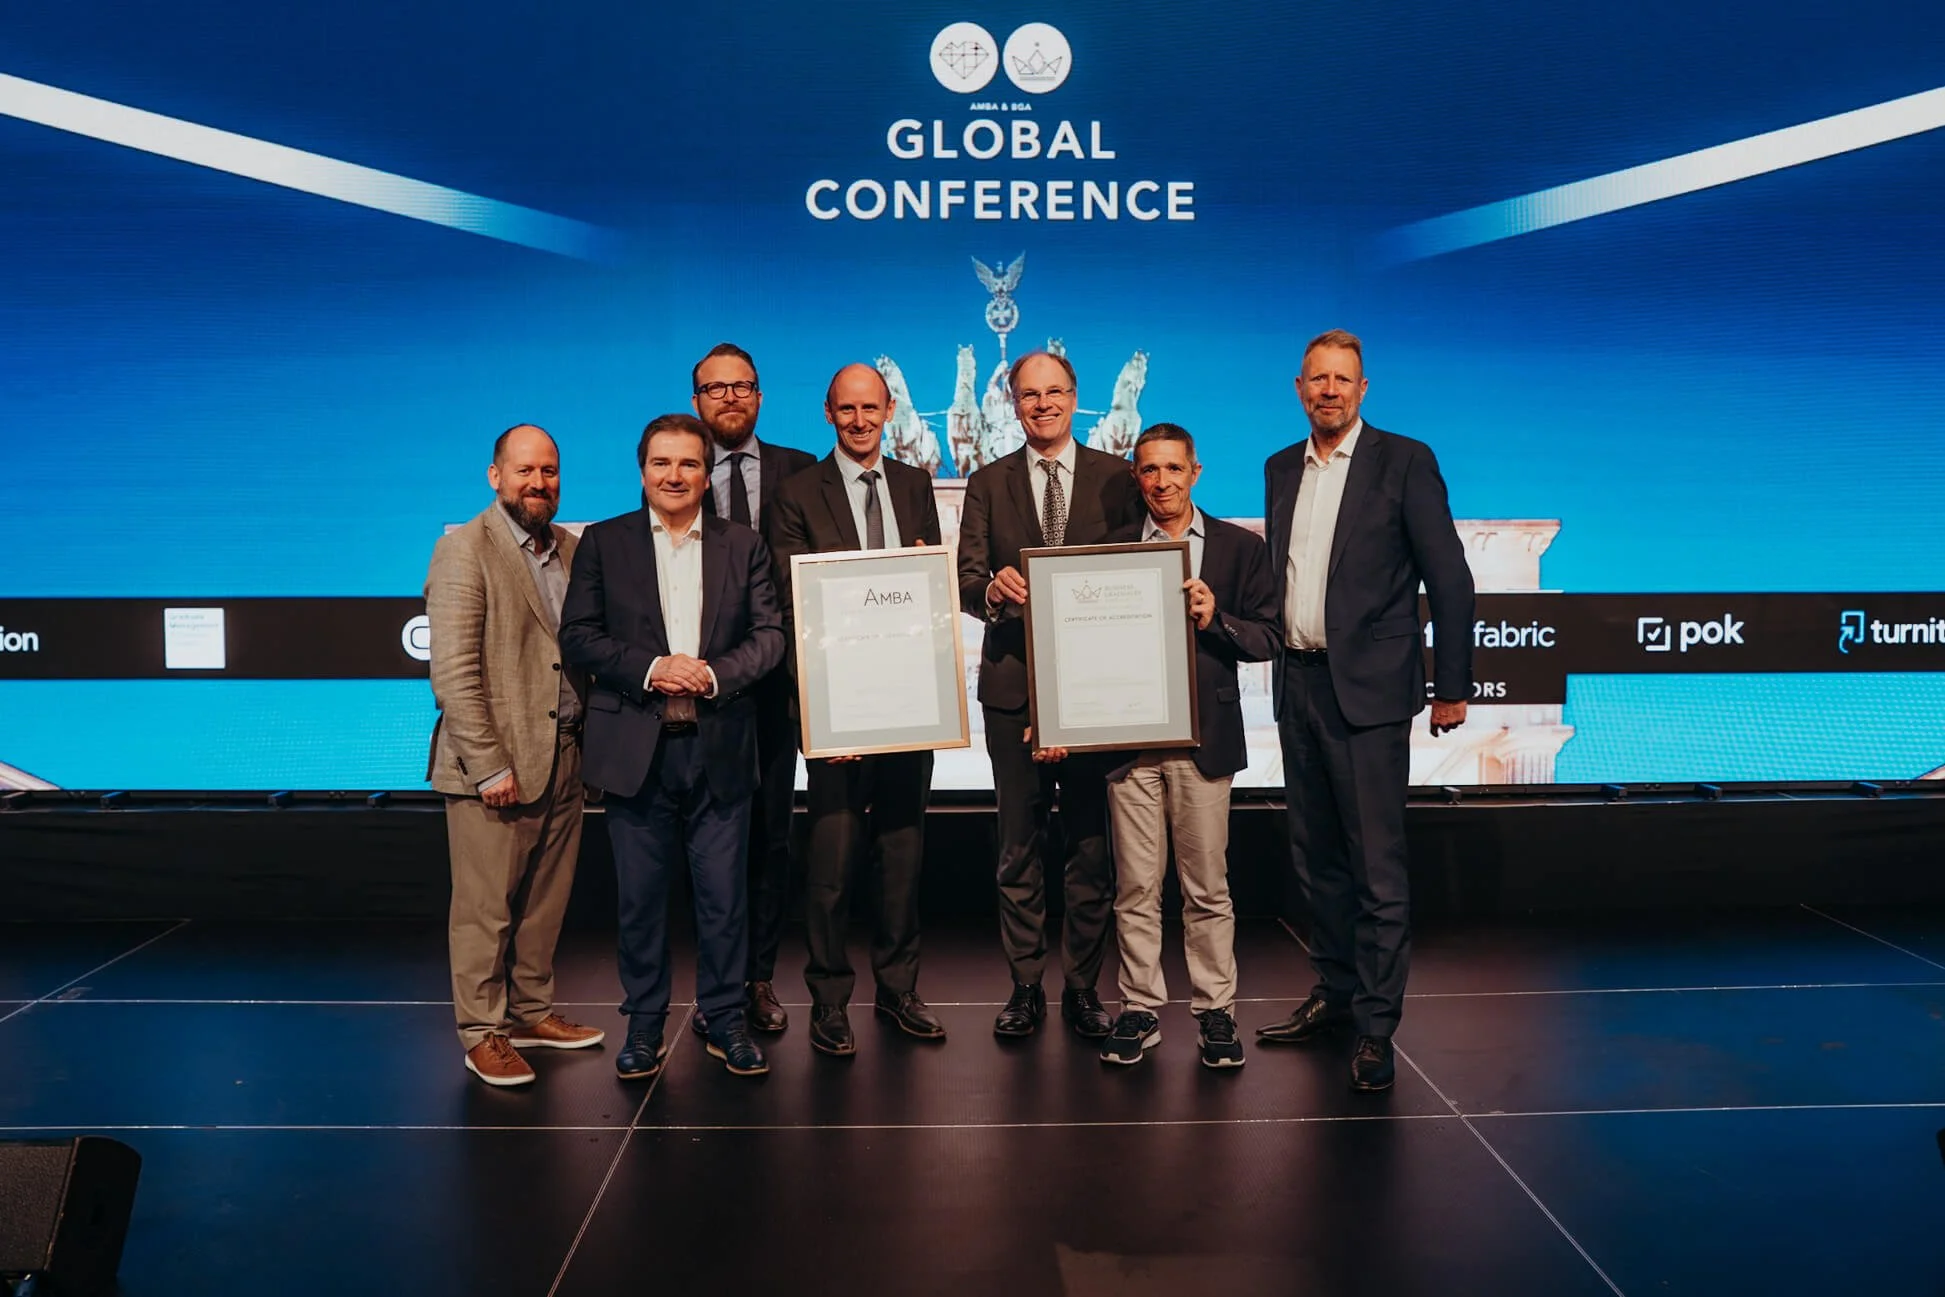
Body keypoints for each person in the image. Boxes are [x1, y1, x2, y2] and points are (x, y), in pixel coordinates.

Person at [1256, 329, 1474, 1092]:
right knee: (1316, 861)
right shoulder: (1280, 468)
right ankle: (1336, 993)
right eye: (1316, 379)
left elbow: (1449, 579)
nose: (1328, 391)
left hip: (1372, 696)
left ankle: (1377, 1028)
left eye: (1342, 379)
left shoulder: (1404, 461)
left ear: (1362, 388)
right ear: (1298, 387)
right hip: (1300, 688)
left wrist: (1451, 686)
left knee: (1376, 869)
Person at [559, 413, 786, 1080]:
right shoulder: (603, 542)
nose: (674, 474)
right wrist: (654, 668)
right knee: (639, 899)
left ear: (706, 471)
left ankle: (724, 1019)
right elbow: (579, 635)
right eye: (662, 462)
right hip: (636, 750)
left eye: (688, 463)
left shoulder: (742, 545)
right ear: (642, 470)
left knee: (724, 898)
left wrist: (712, 674)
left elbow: (770, 635)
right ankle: (646, 1023)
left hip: (718, 747)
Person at [957, 351, 1146, 1039]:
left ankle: (1083, 988)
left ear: (1075, 397)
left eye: (1055, 392)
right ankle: (1025, 986)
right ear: (1012, 403)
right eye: (1028, 394)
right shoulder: (986, 482)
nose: (1042, 404)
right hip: (1012, 689)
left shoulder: (1116, 479)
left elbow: (1136, 575)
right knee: (1018, 846)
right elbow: (965, 584)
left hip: (1097, 693)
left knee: (1091, 847)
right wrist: (993, 593)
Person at [767, 363, 947, 1056]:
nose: (859, 420)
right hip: (837, 712)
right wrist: (824, 711)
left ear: (889, 409)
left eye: (870, 407)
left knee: (902, 856)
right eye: (846, 408)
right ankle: (830, 1000)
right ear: (827, 412)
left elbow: (926, 589)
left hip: (907, 706)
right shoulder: (795, 494)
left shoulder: (913, 484)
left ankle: (899, 990)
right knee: (832, 863)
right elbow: (792, 605)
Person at [1096, 424, 1280, 1070]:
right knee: (1135, 886)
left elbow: (1268, 638)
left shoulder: (1235, 549)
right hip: (1130, 744)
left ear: (1195, 471)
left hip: (1206, 743)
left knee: (1206, 887)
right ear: (1135, 476)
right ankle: (1140, 1007)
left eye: (1173, 468)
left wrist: (1216, 617)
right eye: (1149, 470)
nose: (1162, 481)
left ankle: (1215, 1012)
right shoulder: (1112, 549)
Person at [425, 424, 604, 1088]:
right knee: (485, 908)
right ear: (495, 475)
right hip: (494, 766)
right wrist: (488, 764)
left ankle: (529, 1012)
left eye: (550, 471)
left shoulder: (572, 548)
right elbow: (454, 673)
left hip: (564, 755)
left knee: (543, 902)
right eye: (525, 470)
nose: (539, 482)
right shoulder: (463, 552)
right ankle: (482, 1030)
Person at [692, 342, 817, 1035]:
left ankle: (759, 978)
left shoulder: (802, 472)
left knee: (770, 839)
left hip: (780, 689)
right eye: (715, 388)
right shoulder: (677, 472)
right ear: (697, 402)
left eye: (742, 385)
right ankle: (716, 977)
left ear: (760, 395)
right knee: (710, 843)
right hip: (700, 693)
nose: (730, 398)